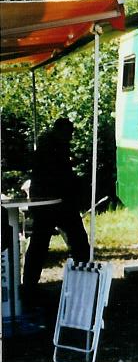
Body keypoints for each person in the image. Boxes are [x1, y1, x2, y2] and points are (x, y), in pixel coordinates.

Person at [22, 118, 90, 294]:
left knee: (42, 244)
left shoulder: (50, 145)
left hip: (53, 201)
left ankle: (29, 283)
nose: (70, 138)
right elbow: (58, 174)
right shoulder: (52, 147)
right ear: (62, 132)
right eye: (69, 134)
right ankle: (83, 276)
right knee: (74, 240)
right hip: (53, 202)